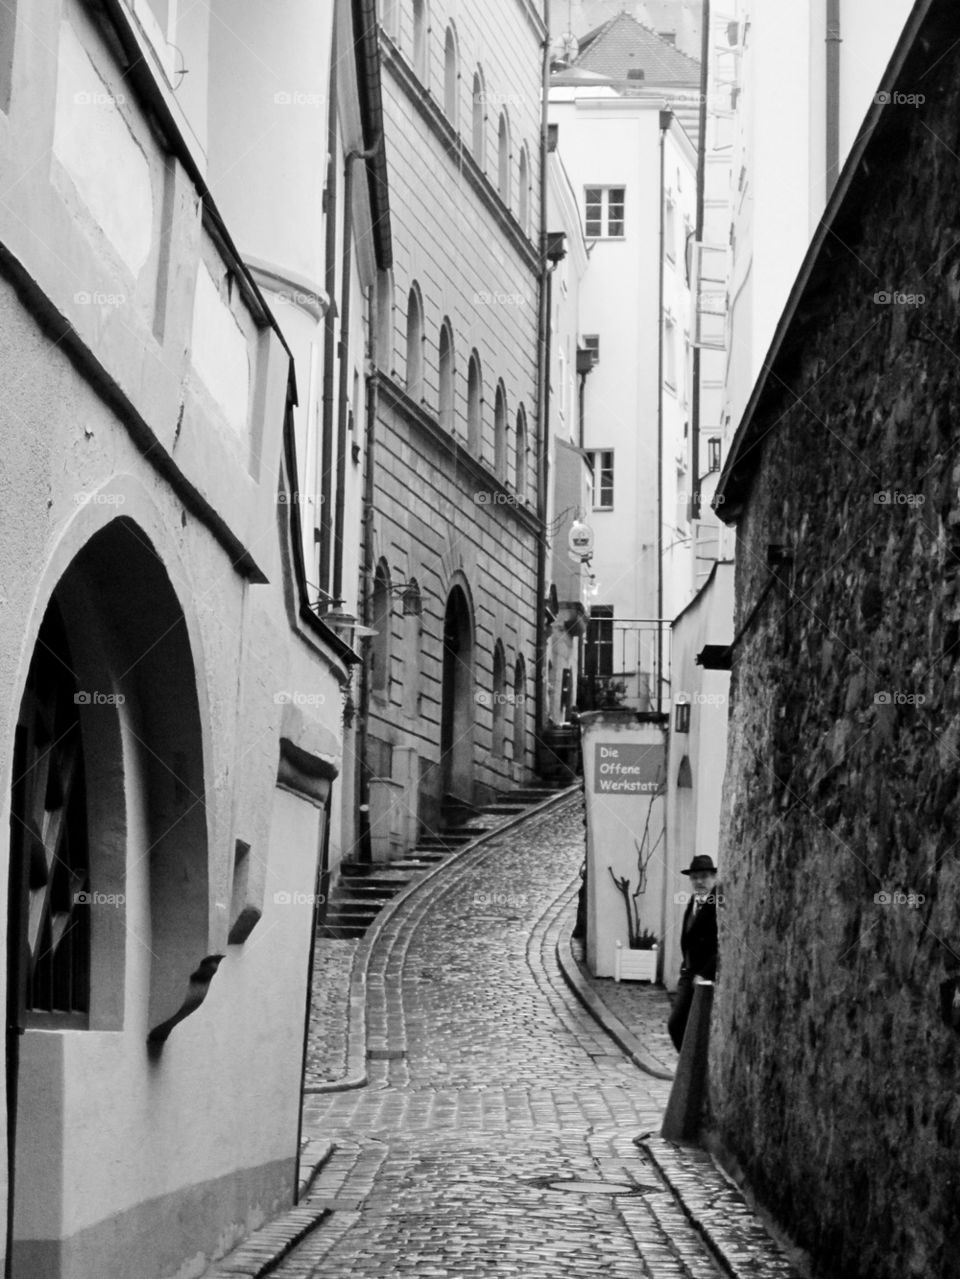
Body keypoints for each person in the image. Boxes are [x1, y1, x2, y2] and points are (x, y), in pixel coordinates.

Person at [667, 854, 719, 1052]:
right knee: (679, 1026)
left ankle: (692, 1071)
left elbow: (721, 945)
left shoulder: (717, 904)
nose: (699, 881)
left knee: (682, 1025)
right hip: (688, 973)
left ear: (713, 878)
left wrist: (705, 973)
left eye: (704, 876)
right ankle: (689, 1070)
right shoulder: (693, 901)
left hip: (702, 977)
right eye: (695, 877)